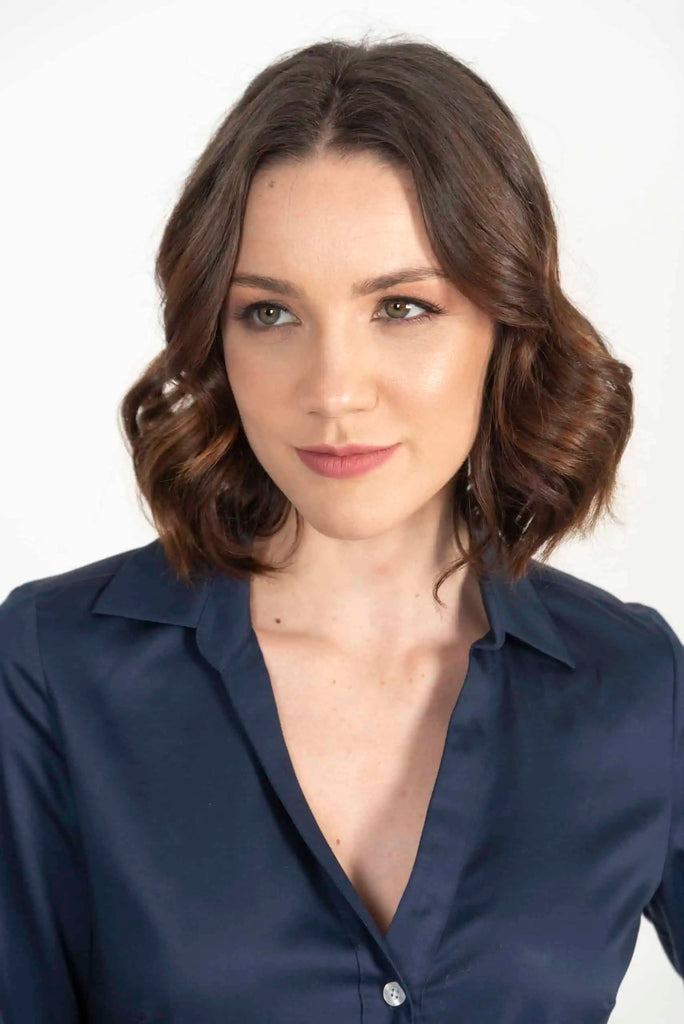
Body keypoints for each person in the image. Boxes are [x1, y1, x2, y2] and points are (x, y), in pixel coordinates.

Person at [0, 35, 682, 1024]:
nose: (333, 393)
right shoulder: (53, 667)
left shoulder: (634, 684)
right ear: (213, 334)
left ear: (507, 325)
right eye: (270, 315)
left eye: (400, 306)